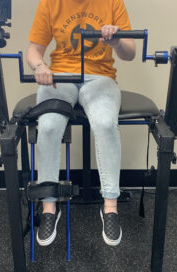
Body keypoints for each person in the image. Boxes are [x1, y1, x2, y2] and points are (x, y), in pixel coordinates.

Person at [27, 0, 136, 247]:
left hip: (100, 77)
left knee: (106, 123)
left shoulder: (112, 2)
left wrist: (117, 41)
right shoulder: (50, 3)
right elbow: (34, 50)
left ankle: (110, 207)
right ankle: (49, 207)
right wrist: (40, 65)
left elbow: (130, 53)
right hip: (61, 77)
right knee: (49, 126)